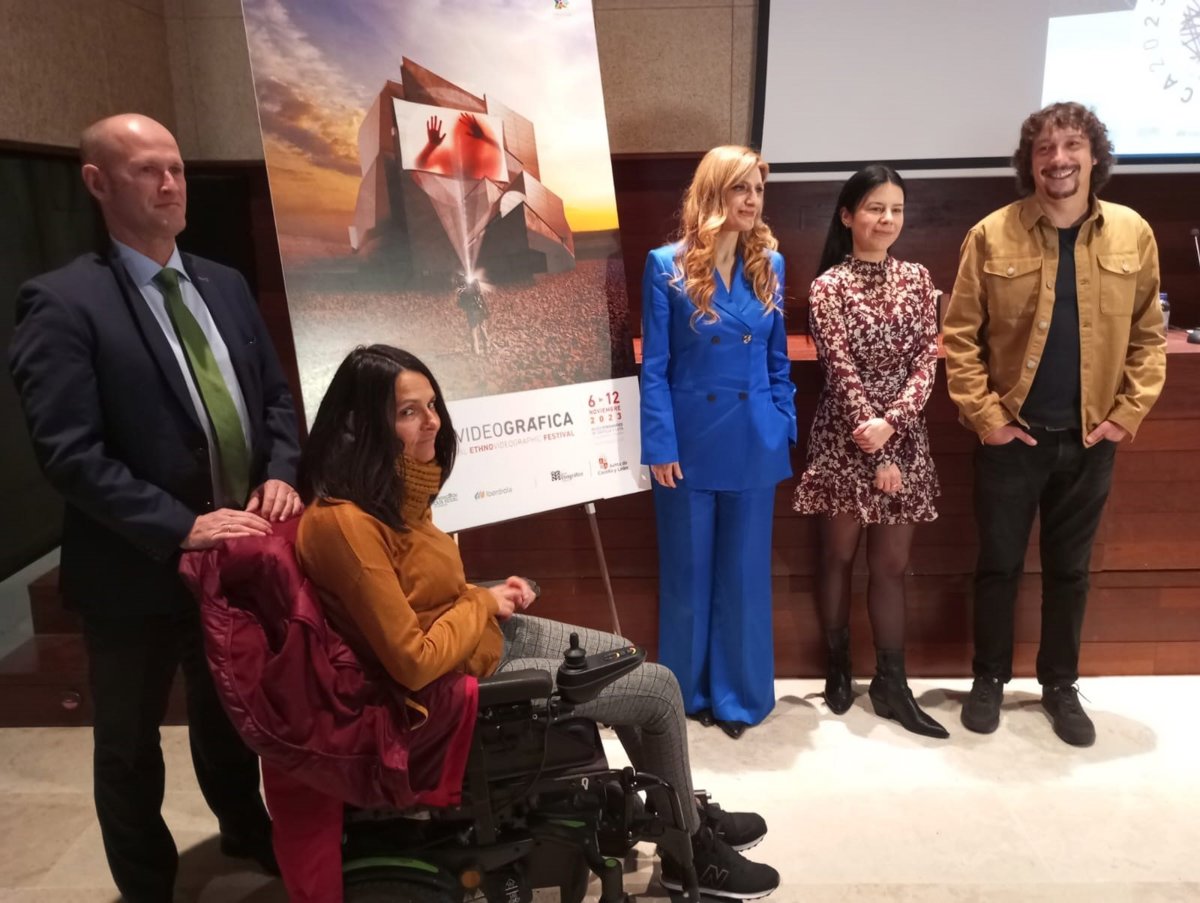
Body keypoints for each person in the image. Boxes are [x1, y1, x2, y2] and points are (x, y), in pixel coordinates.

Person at [265, 344, 779, 902]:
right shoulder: (345, 524)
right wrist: (480, 604)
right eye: (409, 411)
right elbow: (412, 661)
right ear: (360, 423)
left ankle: (675, 806)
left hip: (474, 641)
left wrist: (482, 595)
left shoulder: (389, 492)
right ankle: (689, 852)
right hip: (450, 688)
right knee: (658, 690)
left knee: (622, 652)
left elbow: (419, 594)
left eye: (432, 404)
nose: (432, 421)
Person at [8, 113, 302, 901]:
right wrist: (182, 525)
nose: (170, 184)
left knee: (230, 711)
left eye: (175, 167)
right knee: (130, 744)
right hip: (135, 567)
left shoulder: (224, 283)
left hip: (236, 555)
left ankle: (245, 828)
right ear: (97, 183)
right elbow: (69, 453)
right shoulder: (63, 302)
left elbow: (275, 399)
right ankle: (146, 884)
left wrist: (279, 471)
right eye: (147, 170)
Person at [943, 101, 1166, 747]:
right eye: (1044, 149)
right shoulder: (991, 234)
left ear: (1095, 156)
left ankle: (1060, 686)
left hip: (1091, 441)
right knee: (998, 566)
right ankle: (988, 678)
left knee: (1070, 571)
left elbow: (1149, 337)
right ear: (1030, 162)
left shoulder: (1132, 233)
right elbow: (960, 338)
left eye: (1072, 146)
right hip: (1013, 439)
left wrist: (1125, 415)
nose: (1059, 159)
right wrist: (987, 420)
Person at [639, 145, 796, 739]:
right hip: (689, 444)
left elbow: (777, 359)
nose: (752, 200)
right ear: (713, 193)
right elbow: (656, 366)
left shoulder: (770, 264)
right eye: (740, 188)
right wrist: (660, 444)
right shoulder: (666, 265)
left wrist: (782, 419)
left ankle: (741, 697)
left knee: (745, 576)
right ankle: (686, 695)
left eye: (758, 189)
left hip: (755, 440)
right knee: (689, 574)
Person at [792, 165, 947, 739]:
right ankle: (838, 667)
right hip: (845, 438)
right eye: (875, 208)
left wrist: (893, 428)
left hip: (904, 440)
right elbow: (840, 371)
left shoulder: (918, 278)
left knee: (891, 567)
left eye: (896, 209)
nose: (887, 219)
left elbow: (926, 361)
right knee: (838, 556)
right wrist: (875, 444)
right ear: (847, 215)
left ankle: (892, 683)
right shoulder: (829, 285)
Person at [455, 272, 491, 354]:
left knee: (473, 331)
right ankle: (486, 348)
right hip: (479, 309)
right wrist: (486, 309)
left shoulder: (462, 291)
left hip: (471, 312)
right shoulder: (474, 285)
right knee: (482, 328)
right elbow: (480, 295)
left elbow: (460, 305)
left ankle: (476, 351)